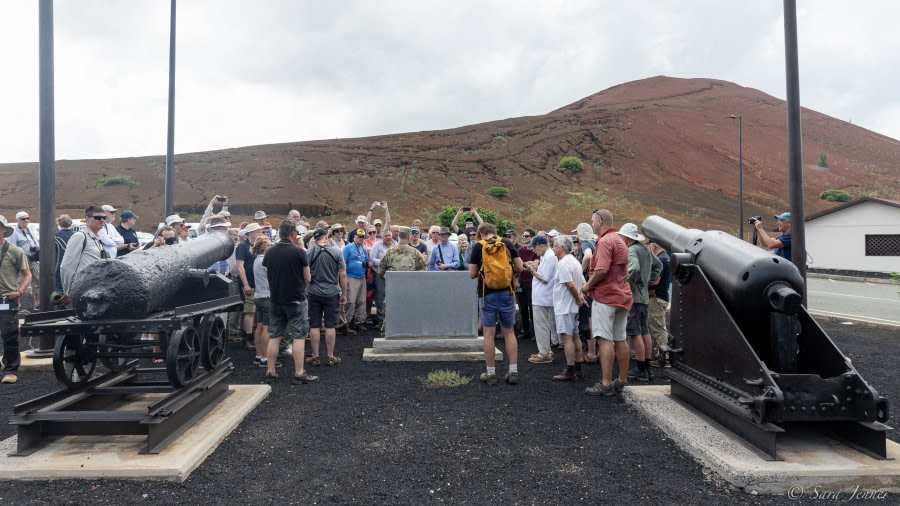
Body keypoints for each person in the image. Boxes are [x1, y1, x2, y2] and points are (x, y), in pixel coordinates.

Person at [581, 209, 633, 397]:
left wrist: (587, 285)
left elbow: (601, 270)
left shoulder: (604, 241)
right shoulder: (620, 241)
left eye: (593, 221)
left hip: (605, 296)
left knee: (604, 339)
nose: (592, 224)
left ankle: (605, 383)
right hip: (622, 296)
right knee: (620, 338)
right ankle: (622, 379)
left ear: (600, 221)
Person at [262, 219, 317, 384]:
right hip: (296, 299)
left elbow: (268, 273)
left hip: (276, 299)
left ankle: (270, 371)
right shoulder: (299, 253)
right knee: (299, 336)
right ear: (293, 234)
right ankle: (299, 372)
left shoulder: (269, 252)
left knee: (275, 336)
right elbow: (307, 278)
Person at [468, 223, 523, 385]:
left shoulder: (479, 247)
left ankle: (491, 374)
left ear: (480, 234)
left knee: (489, 334)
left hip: (487, 295)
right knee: (509, 332)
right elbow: (519, 267)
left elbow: (472, 274)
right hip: (507, 293)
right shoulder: (506, 243)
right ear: (495, 232)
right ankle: (513, 371)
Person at [619, 223, 662, 382]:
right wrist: (649, 280)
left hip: (634, 296)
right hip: (644, 296)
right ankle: (647, 367)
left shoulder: (631, 251)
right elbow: (659, 265)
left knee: (635, 333)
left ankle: (641, 369)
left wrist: (626, 284)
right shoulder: (645, 249)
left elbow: (634, 269)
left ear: (626, 238)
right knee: (645, 331)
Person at [306, 228, 349, 367]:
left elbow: (305, 275)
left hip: (313, 292)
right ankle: (330, 356)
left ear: (315, 238)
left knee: (314, 325)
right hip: (331, 292)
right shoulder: (336, 251)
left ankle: (315, 356)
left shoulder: (309, 252)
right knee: (331, 325)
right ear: (326, 236)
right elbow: (342, 275)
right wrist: (344, 294)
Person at [377, 227, 427, 332]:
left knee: (391, 310)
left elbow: (380, 271)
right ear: (409, 237)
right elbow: (423, 269)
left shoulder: (389, 252)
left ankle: (387, 331)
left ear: (399, 237)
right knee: (410, 310)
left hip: (393, 288)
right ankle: (410, 331)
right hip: (411, 288)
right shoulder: (415, 252)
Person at [551, 236, 587, 381]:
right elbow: (582, 284)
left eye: (555, 245)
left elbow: (570, 285)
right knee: (575, 336)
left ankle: (570, 370)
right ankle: (578, 368)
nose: (553, 248)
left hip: (564, 306)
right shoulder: (575, 262)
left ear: (562, 247)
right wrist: (580, 298)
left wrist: (578, 299)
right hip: (572, 306)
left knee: (567, 338)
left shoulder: (563, 263)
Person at [0, 215, 32, 373]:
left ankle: (11, 369)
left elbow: (28, 275)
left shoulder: (15, 251)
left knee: (9, 335)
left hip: (7, 298)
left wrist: (19, 292)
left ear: (3, 230)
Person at [60, 206, 109, 300]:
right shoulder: (80, 236)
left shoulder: (97, 238)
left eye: (104, 218)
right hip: (82, 290)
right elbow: (67, 266)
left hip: (95, 288)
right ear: (87, 219)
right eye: (98, 218)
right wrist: (69, 292)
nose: (102, 220)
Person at [526, 235, 557, 364]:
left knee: (541, 325)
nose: (534, 251)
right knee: (543, 325)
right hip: (542, 297)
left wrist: (531, 271)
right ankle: (545, 350)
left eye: (535, 247)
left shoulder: (549, 257)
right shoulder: (547, 256)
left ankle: (544, 353)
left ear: (542, 246)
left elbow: (544, 279)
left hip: (543, 298)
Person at [251, 235, 278, 369]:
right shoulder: (265, 261)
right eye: (269, 245)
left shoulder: (256, 260)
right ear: (263, 247)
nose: (271, 247)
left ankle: (258, 355)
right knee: (267, 328)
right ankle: (265, 358)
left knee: (260, 327)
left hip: (258, 296)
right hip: (267, 297)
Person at [236, 223, 263, 349]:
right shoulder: (242, 246)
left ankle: (255, 334)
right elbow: (240, 266)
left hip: (258, 282)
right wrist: (245, 284)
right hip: (250, 283)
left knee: (255, 310)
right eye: (258, 232)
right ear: (251, 233)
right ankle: (248, 337)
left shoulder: (256, 246)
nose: (260, 234)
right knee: (250, 310)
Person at [341, 229, 370, 333]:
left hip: (362, 276)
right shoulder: (348, 248)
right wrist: (344, 278)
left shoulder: (363, 248)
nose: (361, 239)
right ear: (354, 237)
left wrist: (367, 263)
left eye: (362, 237)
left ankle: (359, 322)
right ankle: (345, 323)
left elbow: (365, 260)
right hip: (351, 277)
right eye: (359, 237)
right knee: (350, 301)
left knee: (362, 301)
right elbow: (342, 262)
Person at [647, 243, 671, 367]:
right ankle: (658, 355)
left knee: (658, 329)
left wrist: (644, 283)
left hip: (656, 297)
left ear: (654, 245)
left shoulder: (660, 259)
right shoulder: (667, 257)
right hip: (661, 297)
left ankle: (664, 357)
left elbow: (656, 280)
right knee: (658, 327)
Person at [11, 211, 40, 310]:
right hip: (22, 259)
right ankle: (17, 304)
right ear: (17, 220)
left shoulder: (32, 229)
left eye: (28, 218)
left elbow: (37, 241)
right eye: (23, 219)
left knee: (37, 280)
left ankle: (38, 303)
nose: (26, 220)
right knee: (20, 281)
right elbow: (13, 247)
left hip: (35, 259)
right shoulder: (14, 232)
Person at [370, 229, 396, 324]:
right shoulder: (377, 245)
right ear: (382, 237)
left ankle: (391, 319)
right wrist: (382, 262)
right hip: (380, 274)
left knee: (392, 296)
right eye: (386, 236)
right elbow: (372, 258)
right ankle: (380, 320)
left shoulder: (396, 245)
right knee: (380, 297)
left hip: (393, 275)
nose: (388, 237)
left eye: (389, 235)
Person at [516, 229, 537, 341]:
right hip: (522, 282)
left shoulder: (535, 251)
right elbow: (518, 264)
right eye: (523, 236)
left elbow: (535, 265)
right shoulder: (520, 250)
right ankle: (526, 331)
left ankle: (534, 332)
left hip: (532, 283)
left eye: (526, 236)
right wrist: (525, 265)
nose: (524, 238)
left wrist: (526, 265)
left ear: (532, 237)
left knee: (532, 308)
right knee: (523, 308)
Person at [54, 215, 76, 295]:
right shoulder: (77, 235)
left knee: (59, 289)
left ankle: (61, 305)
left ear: (59, 224)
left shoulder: (55, 236)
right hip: (74, 264)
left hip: (59, 264)